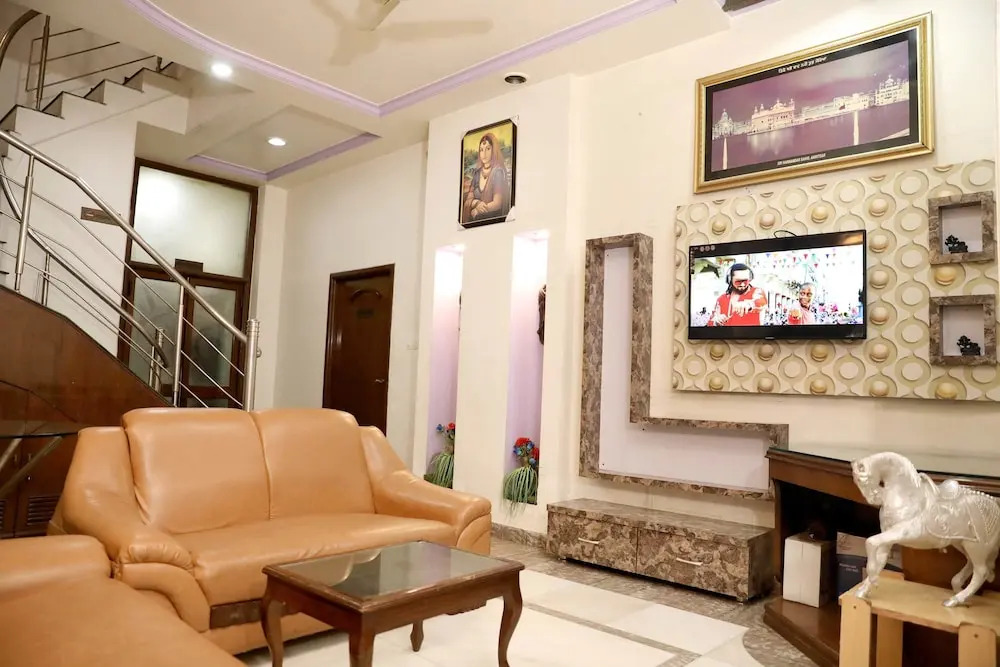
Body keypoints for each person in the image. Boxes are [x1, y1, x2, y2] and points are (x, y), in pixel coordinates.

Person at [462, 132, 510, 224]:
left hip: (493, 221)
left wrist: (478, 210)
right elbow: (469, 198)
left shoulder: (497, 172)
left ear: (493, 150)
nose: (484, 153)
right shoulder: (477, 173)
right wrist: (477, 203)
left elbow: (497, 203)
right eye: (481, 150)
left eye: (488, 149)